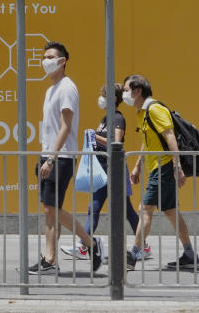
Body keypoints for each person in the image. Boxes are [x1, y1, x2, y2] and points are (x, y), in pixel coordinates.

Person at [28, 41, 103, 275]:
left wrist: (51, 158)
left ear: (62, 61)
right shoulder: (51, 89)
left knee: (52, 209)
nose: (45, 61)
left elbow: (66, 126)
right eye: (44, 57)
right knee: (50, 209)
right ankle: (49, 259)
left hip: (59, 158)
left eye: (50, 57)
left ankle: (89, 243)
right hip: (48, 155)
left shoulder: (67, 87)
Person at [60, 83, 149, 261]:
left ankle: (143, 246)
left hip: (115, 170)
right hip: (102, 170)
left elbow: (116, 143)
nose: (101, 99)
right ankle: (83, 246)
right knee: (93, 208)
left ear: (113, 99)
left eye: (104, 95)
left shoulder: (117, 118)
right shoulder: (105, 119)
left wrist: (94, 136)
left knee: (127, 210)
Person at [124, 74, 199, 269]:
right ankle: (190, 255)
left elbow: (170, 137)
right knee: (171, 212)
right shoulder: (142, 112)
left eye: (126, 90)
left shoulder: (154, 109)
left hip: (164, 167)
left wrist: (177, 167)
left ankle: (133, 255)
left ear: (137, 91)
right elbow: (147, 142)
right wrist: (138, 166)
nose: (124, 94)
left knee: (145, 209)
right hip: (157, 168)